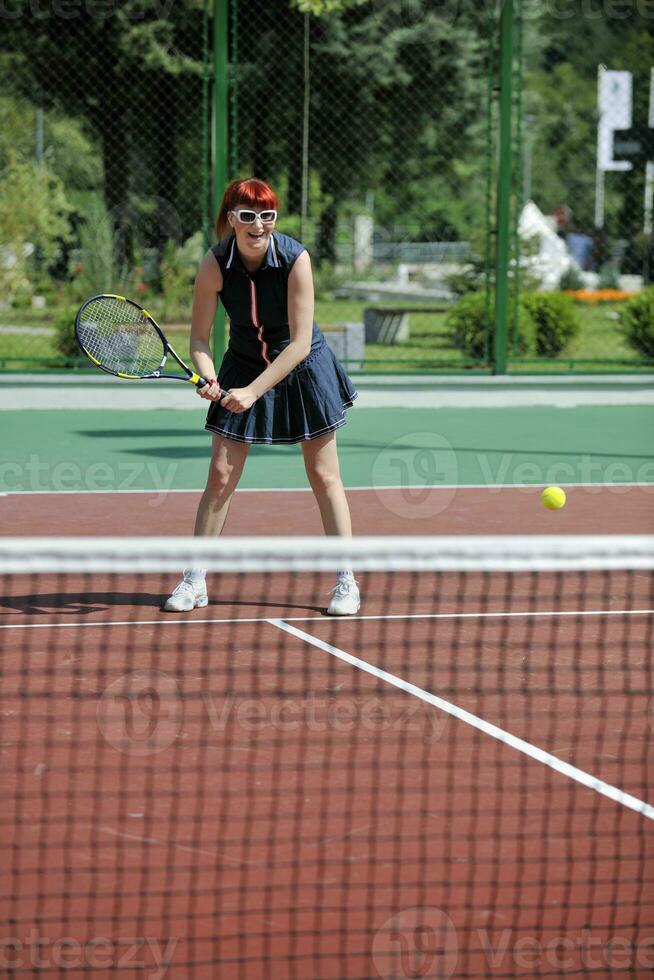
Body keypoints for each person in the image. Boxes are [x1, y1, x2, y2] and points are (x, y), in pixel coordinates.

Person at [165, 177, 360, 615]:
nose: (258, 225)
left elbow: (299, 343)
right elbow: (199, 337)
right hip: (243, 360)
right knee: (220, 473)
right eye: (248, 215)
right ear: (231, 218)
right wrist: (210, 377)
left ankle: (346, 580)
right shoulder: (214, 264)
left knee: (324, 474)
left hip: (303, 365)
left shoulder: (295, 259)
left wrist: (252, 393)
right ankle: (194, 579)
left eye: (267, 215)